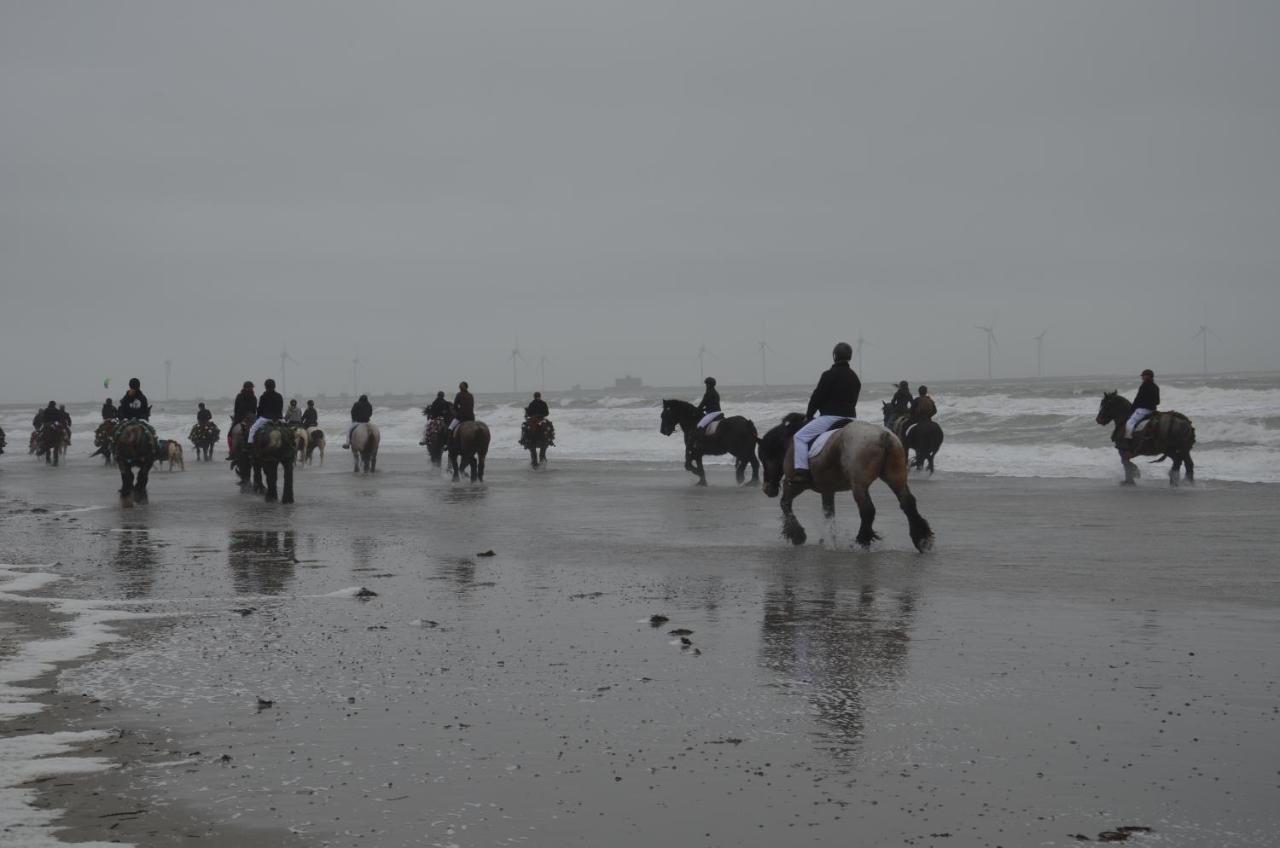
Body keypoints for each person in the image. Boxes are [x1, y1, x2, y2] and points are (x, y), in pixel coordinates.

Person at [792, 343, 862, 485]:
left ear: (834, 355)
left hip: (830, 417)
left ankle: (802, 472)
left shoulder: (829, 375)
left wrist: (809, 414)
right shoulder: (855, 377)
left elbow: (817, 396)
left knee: (799, 437)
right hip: (851, 418)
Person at [1121, 369, 1160, 454]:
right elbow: (1158, 402)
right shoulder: (1156, 387)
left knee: (1130, 422)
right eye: (1142, 376)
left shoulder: (1144, 386)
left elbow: (1138, 399)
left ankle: (1128, 441)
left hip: (1143, 410)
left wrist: (1132, 409)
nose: (1142, 377)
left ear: (1148, 376)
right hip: (1153, 410)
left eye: (1143, 376)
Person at [248, 378, 284, 445]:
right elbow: (280, 408)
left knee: (252, 429)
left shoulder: (263, 396)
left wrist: (258, 416)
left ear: (265, 386)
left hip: (265, 418)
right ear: (274, 386)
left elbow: (260, 409)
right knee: (288, 430)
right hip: (278, 419)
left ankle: (250, 445)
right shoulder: (279, 396)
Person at [448, 382, 475, 446]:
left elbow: (455, 406)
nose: (460, 388)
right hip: (471, 417)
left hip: (461, 417)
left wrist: (458, 411)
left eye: (460, 387)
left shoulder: (459, 395)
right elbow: (472, 406)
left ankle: (449, 445)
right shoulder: (471, 395)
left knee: (450, 428)